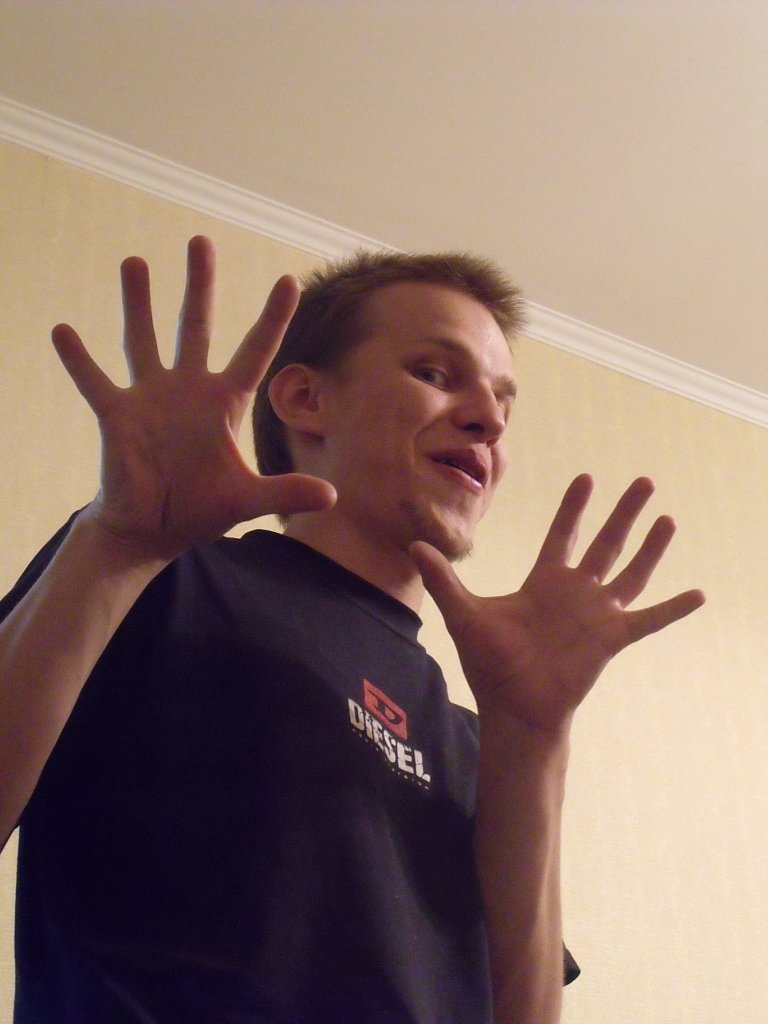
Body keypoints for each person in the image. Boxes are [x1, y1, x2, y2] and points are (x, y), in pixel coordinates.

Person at [0, 236, 704, 1024]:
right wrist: (116, 542)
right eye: (435, 373)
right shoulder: (151, 577)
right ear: (306, 400)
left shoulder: (483, 740)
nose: (487, 421)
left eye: (503, 406)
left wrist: (537, 740)